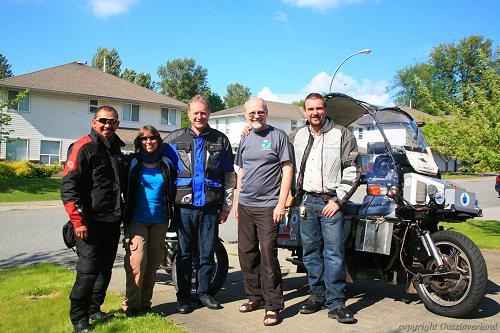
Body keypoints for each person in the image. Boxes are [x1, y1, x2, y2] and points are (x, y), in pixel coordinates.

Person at [289, 93, 359, 323]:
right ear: (305, 111)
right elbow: (274, 146)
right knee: (310, 253)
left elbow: (352, 170)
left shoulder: (342, 134)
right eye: (310, 109)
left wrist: (338, 201)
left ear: (325, 109)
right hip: (307, 203)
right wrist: (249, 131)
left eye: (318, 108)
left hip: (331, 203)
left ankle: (336, 304)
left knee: (334, 254)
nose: (315, 113)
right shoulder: (297, 135)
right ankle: (316, 296)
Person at [164, 95, 236, 314]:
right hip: (183, 207)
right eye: (195, 112)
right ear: (188, 114)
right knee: (184, 254)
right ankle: (183, 298)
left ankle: (205, 293)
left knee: (207, 253)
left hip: (210, 206)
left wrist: (226, 206)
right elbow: (163, 171)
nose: (199, 116)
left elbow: (229, 176)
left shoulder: (220, 140)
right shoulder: (173, 140)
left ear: (209, 114)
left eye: (203, 112)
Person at [61, 106, 125, 333]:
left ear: (117, 123)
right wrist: (78, 222)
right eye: (103, 121)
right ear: (94, 121)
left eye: (112, 121)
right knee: (87, 271)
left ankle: (94, 308)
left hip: (112, 221)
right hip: (88, 223)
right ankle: (79, 319)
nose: (108, 125)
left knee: (105, 269)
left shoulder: (117, 149)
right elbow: (69, 188)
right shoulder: (83, 147)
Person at [234, 97, 294, 326]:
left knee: (268, 254)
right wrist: (238, 200)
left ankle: (273, 305)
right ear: (245, 114)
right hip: (246, 205)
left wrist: (281, 204)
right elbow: (241, 172)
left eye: (260, 112)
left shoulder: (278, 136)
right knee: (247, 253)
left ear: (266, 112)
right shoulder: (245, 137)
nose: (256, 116)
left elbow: (287, 171)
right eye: (252, 113)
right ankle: (254, 297)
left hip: (269, 206)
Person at [122, 125, 175, 316]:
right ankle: (132, 305)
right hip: (137, 220)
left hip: (160, 220)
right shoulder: (132, 163)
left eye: (152, 138)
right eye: (144, 139)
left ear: (158, 141)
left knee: (152, 264)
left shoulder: (167, 163)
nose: (148, 142)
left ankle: (145, 303)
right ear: (139, 142)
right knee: (137, 262)